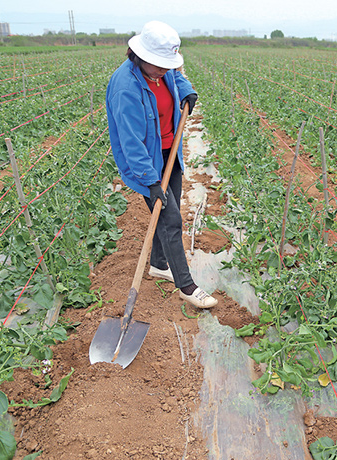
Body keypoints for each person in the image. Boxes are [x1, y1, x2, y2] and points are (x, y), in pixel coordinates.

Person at [106, 21, 217, 308]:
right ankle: (186, 285)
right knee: (170, 219)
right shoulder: (125, 88)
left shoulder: (162, 72)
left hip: (170, 151)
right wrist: (151, 182)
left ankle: (158, 263)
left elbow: (176, 77)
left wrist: (187, 91)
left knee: (171, 210)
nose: (164, 70)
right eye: (159, 65)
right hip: (146, 161)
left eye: (167, 65)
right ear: (140, 56)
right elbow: (131, 143)